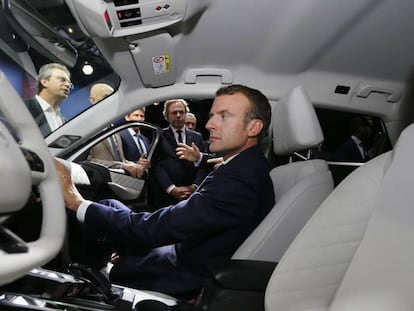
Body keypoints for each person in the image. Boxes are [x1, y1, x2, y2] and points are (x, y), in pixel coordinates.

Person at [54, 84, 275, 298]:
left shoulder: (241, 177)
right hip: (186, 250)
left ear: (253, 127)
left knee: (103, 221)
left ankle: (97, 278)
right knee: (109, 206)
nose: (209, 124)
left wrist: (76, 202)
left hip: (182, 271)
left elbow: (155, 230)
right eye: (212, 115)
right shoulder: (246, 166)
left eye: (224, 116)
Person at [151, 99, 209, 206]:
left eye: (181, 112)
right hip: (166, 197)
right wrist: (171, 189)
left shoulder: (197, 137)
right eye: (174, 112)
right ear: (167, 116)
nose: (178, 115)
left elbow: (203, 165)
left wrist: (194, 187)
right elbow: (156, 166)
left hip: (194, 195)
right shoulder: (159, 135)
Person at [87, 83, 145, 178]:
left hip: (119, 182)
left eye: (113, 98)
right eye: (106, 97)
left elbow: (121, 159)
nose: (110, 101)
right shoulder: (87, 129)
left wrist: (134, 165)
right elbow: (86, 162)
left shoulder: (114, 129)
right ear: (92, 100)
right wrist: (121, 165)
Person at [24, 63, 72, 137]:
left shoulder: (65, 122)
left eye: (69, 83)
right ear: (44, 82)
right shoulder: (23, 106)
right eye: (62, 80)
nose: (68, 85)